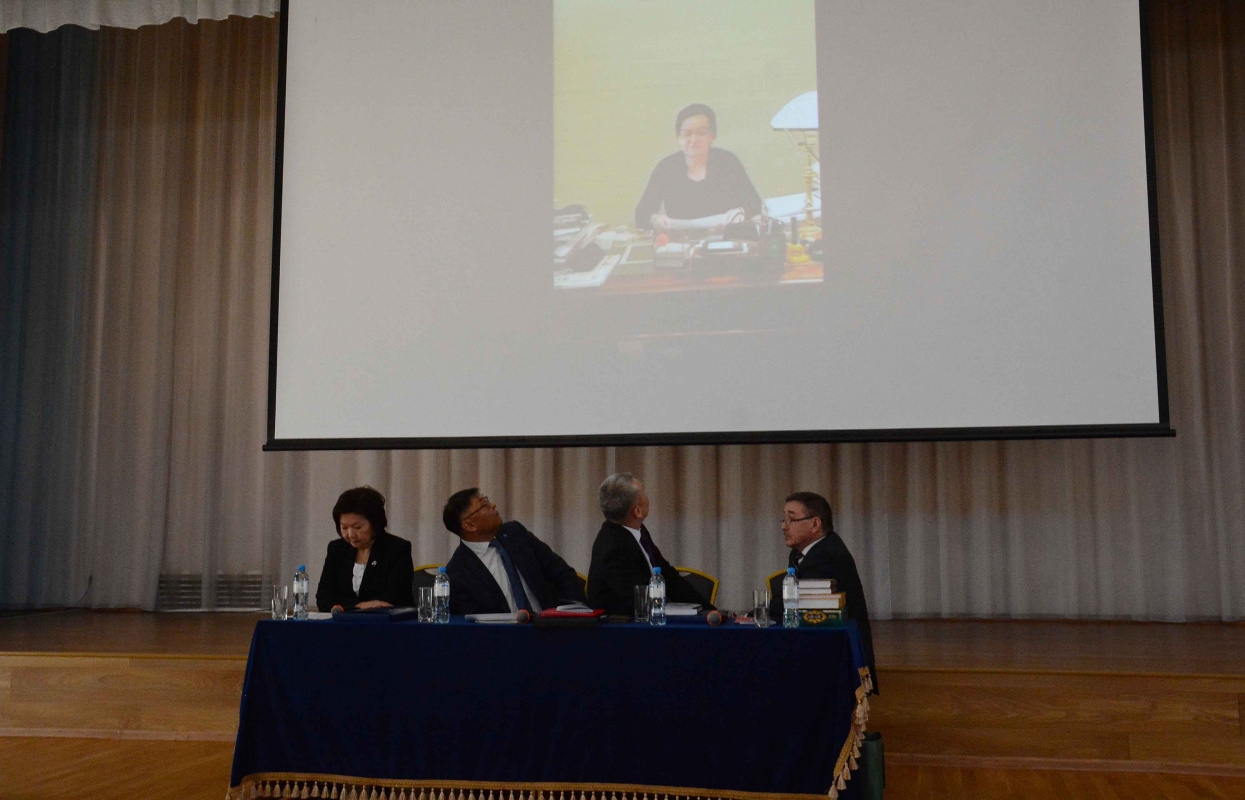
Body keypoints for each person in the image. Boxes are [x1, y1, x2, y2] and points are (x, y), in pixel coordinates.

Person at [770, 491, 878, 693]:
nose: (784, 526)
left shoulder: (826, 554)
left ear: (815, 524)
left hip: (837, 654)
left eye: (791, 519)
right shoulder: (803, 552)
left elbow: (796, 601)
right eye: (783, 520)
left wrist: (759, 609)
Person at [442, 488, 586, 616]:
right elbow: (473, 626)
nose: (493, 505)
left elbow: (562, 573)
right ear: (469, 525)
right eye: (484, 505)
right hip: (505, 635)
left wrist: (575, 614)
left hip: (551, 627)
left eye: (487, 501)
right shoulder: (457, 573)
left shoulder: (516, 534)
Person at [586, 473, 714, 615]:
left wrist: (710, 610)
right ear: (638, 511)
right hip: (621, 625)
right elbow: (639, 601)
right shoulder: (613, 548)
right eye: (645, 493)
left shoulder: (637, 531)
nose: (648, 499)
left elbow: (669, 577)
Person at [634, 103, 763, 233]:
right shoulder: (666, 167)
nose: (694, 139)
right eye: (687, 134)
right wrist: (654, 219)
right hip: (681, 241)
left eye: (701, 133)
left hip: (724, 239)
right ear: (679, 138)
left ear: (712, 136)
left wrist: (737, 217)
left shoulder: (728, 162)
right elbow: (641, 214)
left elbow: (755, 205)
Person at [315, 486, 415, 611]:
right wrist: (357, 606)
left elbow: (394, 599)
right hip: (344, 622)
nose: (350, 534)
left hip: (385, 621)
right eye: (344, 527)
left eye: (357, 527)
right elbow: (323, 599)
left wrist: (347, 606)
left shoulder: (397, 549)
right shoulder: (337, 549)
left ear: (375, 524)